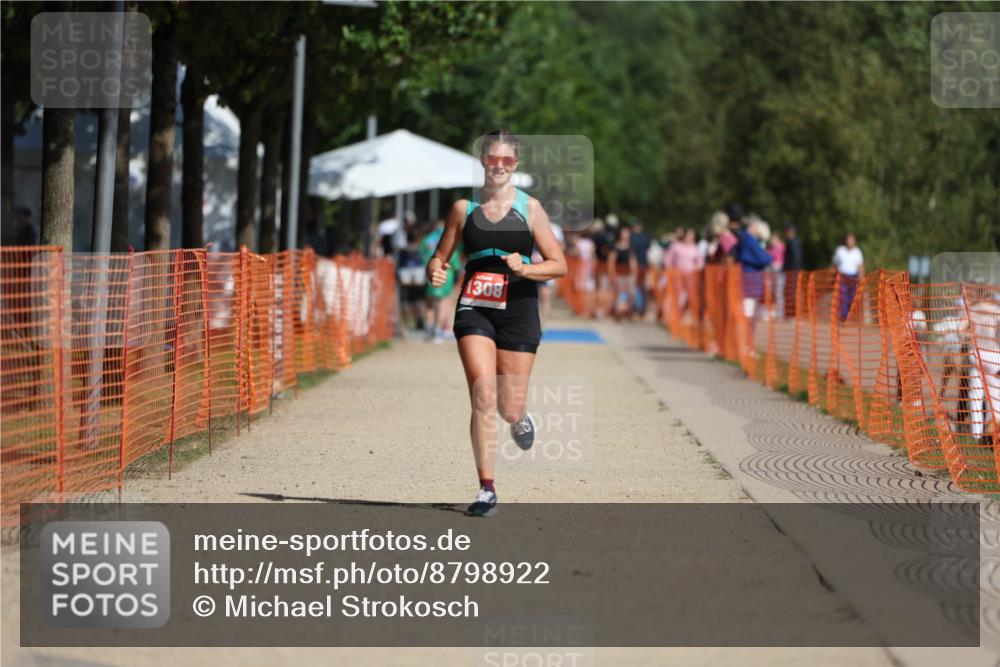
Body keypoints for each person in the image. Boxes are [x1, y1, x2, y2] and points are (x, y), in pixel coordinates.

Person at [425, 130, 566, 516]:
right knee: (483, 396)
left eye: (506, 161)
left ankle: (518, 417)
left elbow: (559, 264)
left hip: (518, 308)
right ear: (483, 161)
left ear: (515, 165)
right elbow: (440, 257)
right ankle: (486, 488)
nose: (499, 166)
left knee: (508, 406)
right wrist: (436, 271)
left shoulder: (531, 209)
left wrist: (529, 267)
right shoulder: (462, 208)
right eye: (492, 159)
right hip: (475, 306)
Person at [420, 219, 462, 342]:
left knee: (430, 303)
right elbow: (454, 260)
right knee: (444, 303)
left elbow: (422, 256)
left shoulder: (426, 240)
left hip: (430, 273)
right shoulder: (449, 239)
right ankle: (439, 331)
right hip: (446, 274)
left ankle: (429, 328)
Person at [607, 225, 638, 321]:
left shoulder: (630, 247)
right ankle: (618, 311)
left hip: (628, 274)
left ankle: (627, 310)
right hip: (618, 273)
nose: (626, 235)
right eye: (624, 233)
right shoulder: (615, 247)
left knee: (631, 293)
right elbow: (611, 261)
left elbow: (633, 261)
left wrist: (634, 273)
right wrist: (612, 274)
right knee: (619, 293)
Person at [832, 233, 864, 321]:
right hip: (842, 277)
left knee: (852, 297)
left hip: (853, 277)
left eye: (852, 240)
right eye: (849, 240)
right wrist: (833, 276)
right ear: (846, 241)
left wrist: (861, 277)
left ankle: (850, 316)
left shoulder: (857, 252)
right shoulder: (840, 251)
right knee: (843, 297)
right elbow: (834, 264)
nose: (850, 242)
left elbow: (860, 266)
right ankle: (843, 317)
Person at [629, 220, 652, 317]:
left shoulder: (632, 237)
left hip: (637, 265)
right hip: (642, 264)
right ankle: (640, 308)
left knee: (636, 287)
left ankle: (637, 308)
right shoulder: (646, 237)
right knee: (641, 288)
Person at [783, 224, 804, 317]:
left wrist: (788, 269)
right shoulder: (797, 241)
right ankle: (793, 312)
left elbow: (794, 257)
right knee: (794, 291)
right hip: (795, 270)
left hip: (792, 271)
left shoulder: (791, 242)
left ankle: (792, 313)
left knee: (791, 292)